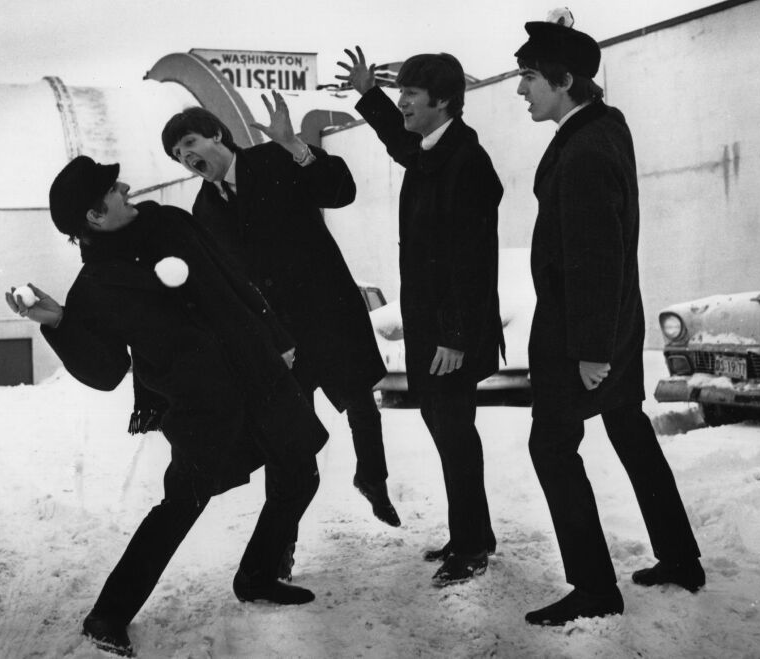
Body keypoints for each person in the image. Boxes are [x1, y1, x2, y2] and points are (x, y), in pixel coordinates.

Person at [5, 155, 328, 656]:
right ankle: (107, 616)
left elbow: (234, 279)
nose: (127, 187)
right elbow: (106, 371)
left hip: (258, 374)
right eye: (114, 189)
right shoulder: (95, 288)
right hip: (203, 403)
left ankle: (258, 575)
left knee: (300, 472)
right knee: (182, 504)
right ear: (95, 215)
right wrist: (60, 322)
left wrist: (276, 338)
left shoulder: (172, 222)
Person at [513, 10, 704, 626]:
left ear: (563, 80)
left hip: (584, 334)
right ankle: (679, 557)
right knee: (629, 431)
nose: (521, 90)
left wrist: (591, 349)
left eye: (529, 79)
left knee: (552, 446)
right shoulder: (601, 130)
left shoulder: (586, 148)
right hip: (611, 326)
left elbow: (597, 256)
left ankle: (595, 587)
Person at [160, 94, 401, 534]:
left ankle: (373, 479)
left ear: (216, 134)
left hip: (327, 313)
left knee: (360, 403)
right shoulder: (204, 210)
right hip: (278, 337)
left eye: (190, 142)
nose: (186, 156)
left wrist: (297, 147)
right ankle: (283, 542)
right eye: (178, 154)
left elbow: (340, 191)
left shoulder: (274, 159)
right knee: (288, 438)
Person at [336, 48, 503, 585]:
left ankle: (472, 546)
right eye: (400, 90)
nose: (402, 100)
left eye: (411, 92)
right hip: (434, 329)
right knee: (448, 429)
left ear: (445, 101)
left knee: (454, 433)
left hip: (451, 333)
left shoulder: (466, 162)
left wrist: (454, 337)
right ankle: (472, 533)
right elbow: (400, 141)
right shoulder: (435, 149)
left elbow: (471, 262)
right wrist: (369, 93)